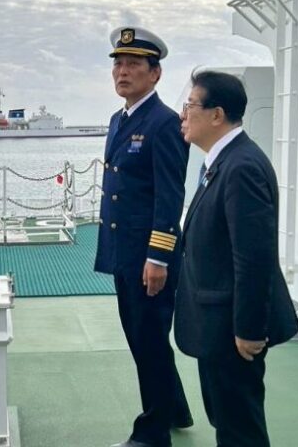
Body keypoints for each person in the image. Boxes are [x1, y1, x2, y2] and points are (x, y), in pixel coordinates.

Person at [174, 70, 298, 447]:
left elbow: (253, 257)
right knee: (226, 418)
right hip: (216, 323)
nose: (183, 115)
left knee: (239, 427)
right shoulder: (222, 161)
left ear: (217, 115)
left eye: (190, 106)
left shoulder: (241, 166)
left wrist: (249, 328)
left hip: (231, 326)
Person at [94, 26, 191, 447]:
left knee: (147, 341)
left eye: (133, 64)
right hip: (124, 251)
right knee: (143, 338)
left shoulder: (164, 123)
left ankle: (152, 434)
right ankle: (175, 409)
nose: (123, 71)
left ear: (156, 73)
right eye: (118, 63)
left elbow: (170, 196)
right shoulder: (120, 120)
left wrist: (158, 257)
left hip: (148, 257)